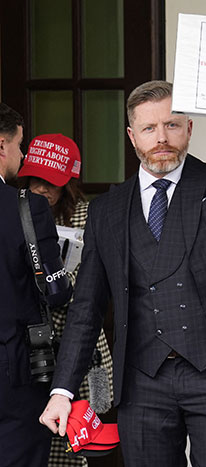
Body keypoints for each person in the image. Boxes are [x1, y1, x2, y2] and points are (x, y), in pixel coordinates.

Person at [39, 79, 206, 466]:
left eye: (172, 125)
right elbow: (86, 309)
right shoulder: (107, 211)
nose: (162, 137)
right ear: (132, 136)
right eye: (149, 128)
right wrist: (62, 390)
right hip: (142, 380)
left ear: (189, 129)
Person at [17, 133, 114, 467]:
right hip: (34, 348)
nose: (42, 189)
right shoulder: (18, 213)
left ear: (68, 185)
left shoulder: (88, 216)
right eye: (36, 181)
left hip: (84, 348)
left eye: (52, 183)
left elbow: (99, 280)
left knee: (84, 439)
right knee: (36, 437)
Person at [0, 103, 72, 466]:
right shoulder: (27, 208)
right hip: (13, 370)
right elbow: (57, 291)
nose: (22, 154)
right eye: (19, 145)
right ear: (2, 146)